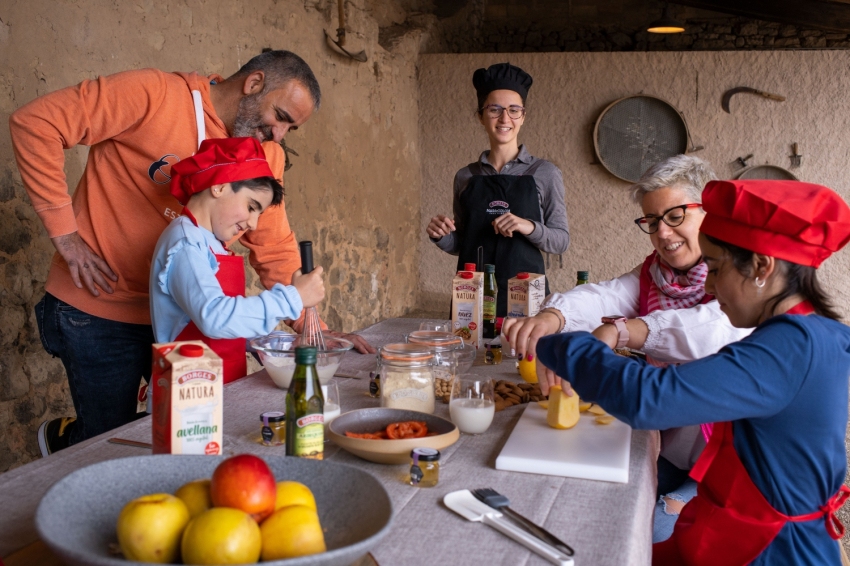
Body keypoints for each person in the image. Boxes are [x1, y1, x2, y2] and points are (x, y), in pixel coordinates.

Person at [9, 50, 372, 456]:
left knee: (170, 432)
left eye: (291, 128)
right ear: (254, 84)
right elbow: (36, 123)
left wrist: (310, 325)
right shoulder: (155, 94)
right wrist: (67, 236)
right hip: (99, 307)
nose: (280, 134)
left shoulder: (266, 156)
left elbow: (273, 246)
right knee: (105, 442)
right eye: (281, 116)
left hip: (183, 318)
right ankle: (67, 439)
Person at [534, 179, 850, 565]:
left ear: (762, 266)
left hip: (770, 548)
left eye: (715, 269)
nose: (711, 287)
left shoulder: (790, 348)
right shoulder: (815, 333)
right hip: (736, 527)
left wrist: (558, 346)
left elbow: (646, 398)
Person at [503, 154, 751, 541]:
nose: (663, 234)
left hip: (727, 463)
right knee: (596, 504)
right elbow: (606, 296)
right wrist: (553, 318)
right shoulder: (656, 273)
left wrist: (624, 331)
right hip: (672, 446)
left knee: (652, 533)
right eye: (651, 222)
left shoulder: (739, 273)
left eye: (674, 216)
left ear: (709, 212)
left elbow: (711, 332)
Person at [150, 137, 325, 383]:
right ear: (219, 186)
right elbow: (214, 317)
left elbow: (225, 328)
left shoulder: (211, 243)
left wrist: (274, 344)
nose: (252, 224)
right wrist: (293, 298)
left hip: (214, 386)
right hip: (185, 395)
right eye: (251, 207)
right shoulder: (186, 244)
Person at [426, 62, 569, 317]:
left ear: (523, 116)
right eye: (495, 109)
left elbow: (560, 241)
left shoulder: (544, 173)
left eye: (514, 110)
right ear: (481, 115)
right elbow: (463, 243)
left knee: (524, 357)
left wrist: (527, 226)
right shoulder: (466, 176)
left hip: (527, 297)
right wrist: (441, 236)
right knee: (469, 356)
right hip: (472, 298)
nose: (505, 119)